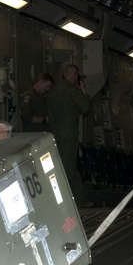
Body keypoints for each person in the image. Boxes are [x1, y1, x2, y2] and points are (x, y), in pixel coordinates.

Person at [48, 63, 92, 204]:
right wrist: (84, 92)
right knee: (68, 168)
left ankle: (79, 199)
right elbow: (85, 108)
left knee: (67, 166)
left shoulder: (53, 90)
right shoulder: (73, 91)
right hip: (69, 135)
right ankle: (66, 201)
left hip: (55, 134)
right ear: (75, 77)